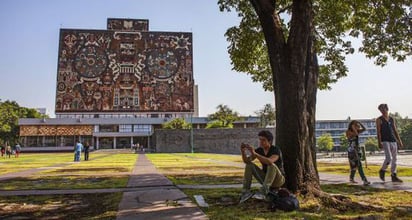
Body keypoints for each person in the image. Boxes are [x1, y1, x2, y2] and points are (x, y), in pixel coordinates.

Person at [239, 130, 285, 203]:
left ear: (269, 141)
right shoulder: (259, 150)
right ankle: (245, 192)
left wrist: (255, 154)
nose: (261, 142)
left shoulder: (276, 150)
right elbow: (247, 161)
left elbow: (269, 161)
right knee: (249, 165)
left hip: (278, 180)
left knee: (271, 165)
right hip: (265, 178)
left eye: (263, 140)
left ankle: (263, 192)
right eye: (260, 139)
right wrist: (243, 152)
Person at [376, 104, 403, 182]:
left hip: (393, 140)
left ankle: (393, 175)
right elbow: (378, 132)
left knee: (395, 159)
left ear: (387, 109)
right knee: (389, 158)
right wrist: (379, 142)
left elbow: (395, 130)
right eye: (380, 110)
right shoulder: (379, 119)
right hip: (385, 140)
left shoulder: (391, 119)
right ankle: (382, 170)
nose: (382, 111)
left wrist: (399, 141)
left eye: (383, 109)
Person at [346, 120, 370, 186]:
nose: (357, 126)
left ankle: (351, 178)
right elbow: (355, 134)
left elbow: (365, 129)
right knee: (358, 165)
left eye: (357, 125)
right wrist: (353, 127)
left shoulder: (357, 131)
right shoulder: (348, 132)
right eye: (355, 125)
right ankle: (364, 180)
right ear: (351, 125)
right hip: (352, 151)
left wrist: (360, 123)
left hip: (357, 150)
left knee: (355, 165)